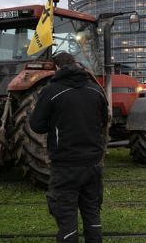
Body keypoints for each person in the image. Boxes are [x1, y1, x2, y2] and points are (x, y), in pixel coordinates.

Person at [29, 51, 108, 243]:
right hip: (93, 165)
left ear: (56, 68)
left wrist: (57, 123)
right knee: (92, 214)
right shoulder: (96, 90)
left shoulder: (51, 91)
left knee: (66, 217)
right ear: (76, 64)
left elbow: (36, 125)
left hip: (65, 166)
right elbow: (103, 122)